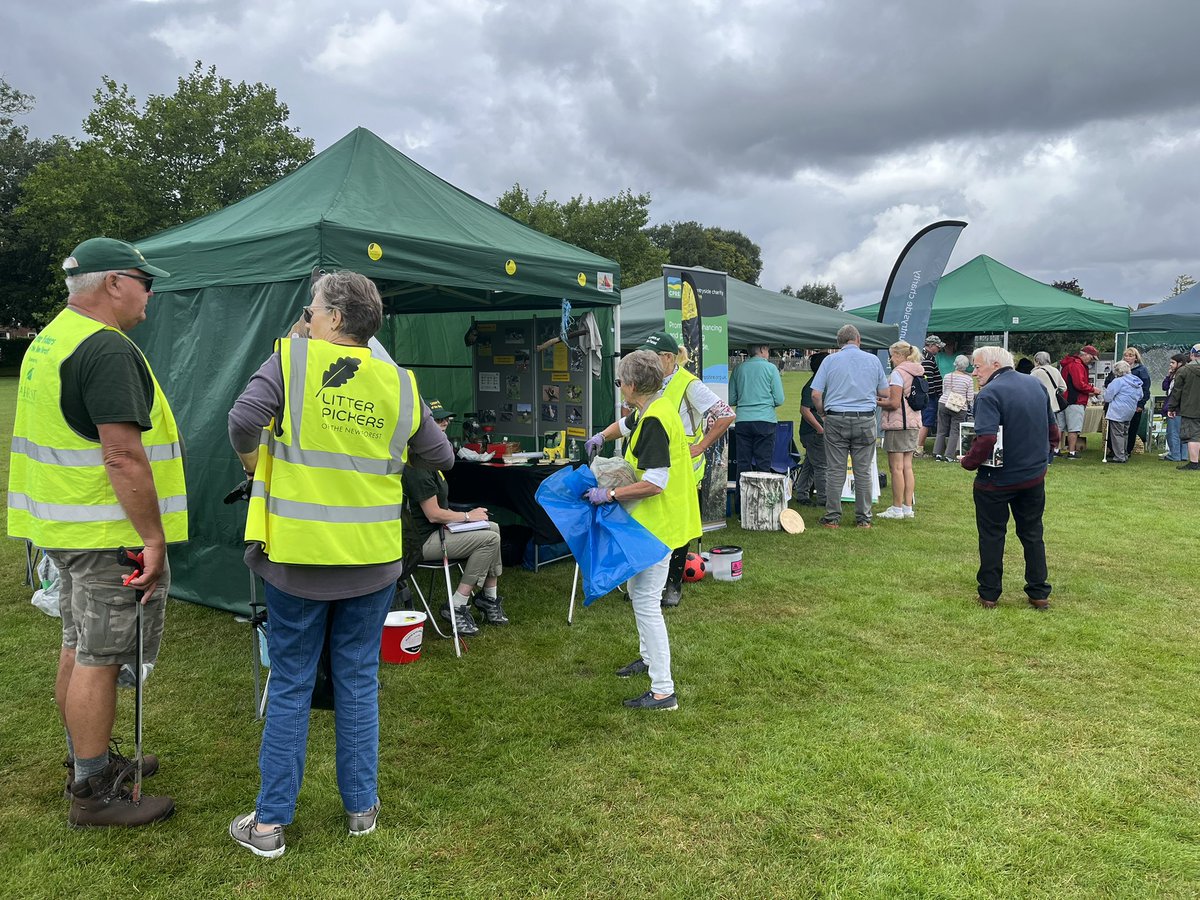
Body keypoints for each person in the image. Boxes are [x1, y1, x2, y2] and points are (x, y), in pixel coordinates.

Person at [227, 270, 453, 858]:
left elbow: (241, 420)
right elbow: (441, 454)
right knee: (357, 680)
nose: (306, 317)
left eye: (311, 309)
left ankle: (271, 824)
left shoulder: (292, 361)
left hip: (298, 558)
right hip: (372, 561)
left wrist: (253, 465)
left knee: (292, 682)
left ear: (332, 318)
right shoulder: (399, 383)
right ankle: (360, 810)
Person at [7, 238, 186, 828]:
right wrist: (153, 539)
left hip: (62, 526)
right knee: (101, 657)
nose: (150, 293)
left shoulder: (52, 337)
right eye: (144, 281)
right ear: (114, 283)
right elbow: (123, 454)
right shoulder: (106, 348)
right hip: (105, 534)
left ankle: (89, 757)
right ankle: (93, 791)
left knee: (77, 643)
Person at [584, 350, 701, 710]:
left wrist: (610, 493)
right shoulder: (655, 407)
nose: (620, 387)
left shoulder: (654, 420)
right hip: (657, 522)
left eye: (620, 382)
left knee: (647, 603)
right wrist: (600, 437)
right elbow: (627, 423)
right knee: (638, 594)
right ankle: (649, 661)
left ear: (632, 386)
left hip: (657, 524)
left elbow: (655, 483)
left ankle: (663, 691)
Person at [598, 331, 733, 608]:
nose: (645, 361)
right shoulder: (654, 393)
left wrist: (701, 446)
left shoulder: (689, 384)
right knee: (657, 523)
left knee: (676, 527)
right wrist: (601, 436)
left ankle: (672, 583)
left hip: (683, 468)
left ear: (669, 358)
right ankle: (646, 584)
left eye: (652, 356)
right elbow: (629, 423)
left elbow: (726, 414)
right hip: (656, 462)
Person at [960, 346, 1059, 610]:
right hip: (1032, 476)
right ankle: (1039, 592)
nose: (974, 372)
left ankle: (989, 594)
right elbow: (1053, 431)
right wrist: (1042, 460)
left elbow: (987, 438)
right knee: (1032, 534)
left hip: (996, 480)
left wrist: (968, 462)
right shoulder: (1034, 385)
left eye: (977, 366)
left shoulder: (989, 393)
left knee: (992, 535)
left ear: (994, 364)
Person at [402, 399, 507, 634]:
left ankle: (488, 598)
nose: (445, 424)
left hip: (438, 532)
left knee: (494, 528)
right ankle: (457, 605)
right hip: (420, 542)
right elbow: (433, 514)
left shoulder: (430, 460)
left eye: (446, 419)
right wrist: (468, 516)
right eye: (438, 420)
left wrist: (469, 518)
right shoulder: (416, 466)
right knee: (489, 539)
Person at [810, 324, 889, 529]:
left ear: (839, 342)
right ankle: (864, 518)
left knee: (835, 470)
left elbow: (816, 394)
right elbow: (885, 392)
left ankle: (832, 517)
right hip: (865, 419)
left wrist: (822, 413)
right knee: (863, 471)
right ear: (858, 339)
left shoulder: (830, 360)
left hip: (836, 418)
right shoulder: (872, 360)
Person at [876, 341, 924, 520]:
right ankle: (907, 508)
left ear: (899, 355)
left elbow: (894, 403)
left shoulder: (898, 373)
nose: (891, 359)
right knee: (907, 467)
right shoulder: (917, 370)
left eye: (892, 355)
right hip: (913, 423)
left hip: (898, 425)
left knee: (896, 468)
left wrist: (876, 401)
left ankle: (896, 508)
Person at [728, 343, 784, 481]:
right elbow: (779, 399)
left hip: (743, 420)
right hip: (765, 419)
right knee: (763, 465)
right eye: (767, 349)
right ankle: (761, 501)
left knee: (743, 465)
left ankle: (741, 501)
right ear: (761, 350)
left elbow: (731, 398)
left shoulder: (739, 369)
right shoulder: (771, 368)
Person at [794, 351, 829, 506]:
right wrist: (819, 429)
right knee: (822, 466)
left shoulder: (819, 382)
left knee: (810, 463)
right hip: (814, 433)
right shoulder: (813, 385)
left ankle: (802, 494)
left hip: (812, 432)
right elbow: (804, 410)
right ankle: (824, 499)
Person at [1058, 344, 1102, 458]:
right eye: (1091, 358)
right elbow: (1079, 384)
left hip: (1064, 399)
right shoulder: (1077, 365)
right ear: (1086, 355)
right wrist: (1093, 389)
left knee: (1060, 426)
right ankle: (1072, 452)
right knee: (1074, 428)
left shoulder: (1069, 363)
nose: (1091, 361)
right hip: (1075, 400)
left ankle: (1055, 450)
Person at [933, 354, 975, 461]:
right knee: (954, 431)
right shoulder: (968, 379)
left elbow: (944, 391)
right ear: (966, 366)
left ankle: (937, 453)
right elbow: (970, 397)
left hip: (944, 403)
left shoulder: (947, 376)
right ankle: (949, 455)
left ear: (955, 364)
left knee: (941, 429)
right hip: (959, 406)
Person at [1166, 342, 1200, 471]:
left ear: (1191, 355)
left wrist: (1172, 408)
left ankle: (1194, 463)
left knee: (1193, 436)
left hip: (1190, 408)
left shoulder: (1184, 370)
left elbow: (1177, 391)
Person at [1102, 361, 1142, 463]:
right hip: (1130, 410)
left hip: (1118, 410)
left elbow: (1107, 397)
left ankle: (1119, 456)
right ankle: (1124, 454)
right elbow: (1140, 396)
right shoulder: (1136, 381)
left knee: (1117, 434)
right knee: (1125, 433)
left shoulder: (1118, 381)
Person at [1031, 351, 1068, 453]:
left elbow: (1029, 387)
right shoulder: (1055, 371)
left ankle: (1042, 449)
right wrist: (1055, 392)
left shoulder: (1036, 372)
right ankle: (1055, 449)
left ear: (1037, 361)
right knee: (1055, 427)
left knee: (1041, 429)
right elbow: (1063, 387)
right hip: (1054, 405)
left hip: (1039, 405)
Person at [915, 336, 945, 455]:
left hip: (922, 396)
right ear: (931, 346)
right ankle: (919, 449)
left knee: (921, 421)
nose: (939, 350)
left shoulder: (924, 356)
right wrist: (934, 394)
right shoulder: (927, 359)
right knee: (926, 422)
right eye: (937, 347)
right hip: (928, 397)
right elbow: (927, 381)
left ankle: (916, 447)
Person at [1121, 347, 1152, 458]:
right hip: (1121, 404)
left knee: (1131, 429)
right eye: (1126, 355)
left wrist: (1141, 404)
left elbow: (1146, 388)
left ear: (1136, 358)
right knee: (1119, 428)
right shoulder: (1120, 368)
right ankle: (1117, 449)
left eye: (1131, 355)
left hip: (1135, 404)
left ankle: (1127, 450)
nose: (1128, 358)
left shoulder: (1141, 370)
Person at [1160, 353, 1189, 461]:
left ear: (1180, 363)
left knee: (1173, 432)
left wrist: (1171, 407)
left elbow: (1176, 393)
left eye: (1173, 362)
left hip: (1176, 408)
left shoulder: (1180, 376)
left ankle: (1175, 455)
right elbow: (1164, 387)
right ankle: (1183, 455)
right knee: (1182, 433)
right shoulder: (1176, 375)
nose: (1170, 365)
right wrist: (1169, 375)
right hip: (1183, 408)